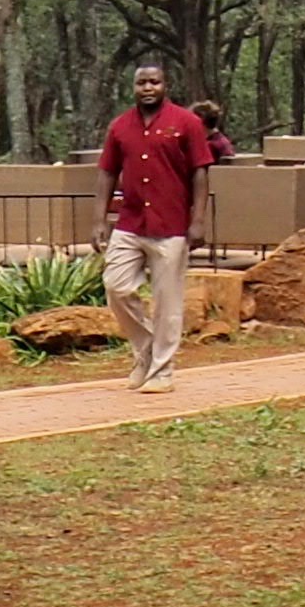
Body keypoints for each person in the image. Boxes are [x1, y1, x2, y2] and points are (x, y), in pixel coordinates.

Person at [96, 61, 223, 392]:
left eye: (154, 82)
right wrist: (99, 219)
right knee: (116, 287)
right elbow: (107, 172)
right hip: (130, 221)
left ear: (165, 85)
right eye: (142, 83)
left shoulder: (187, 123)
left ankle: (162, 372)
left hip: (172, 224)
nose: (148, 88)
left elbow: (200, 172)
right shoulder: (120, 126)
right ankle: (147, 348)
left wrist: (198, 220)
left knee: (167, 302)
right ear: (134, 87)